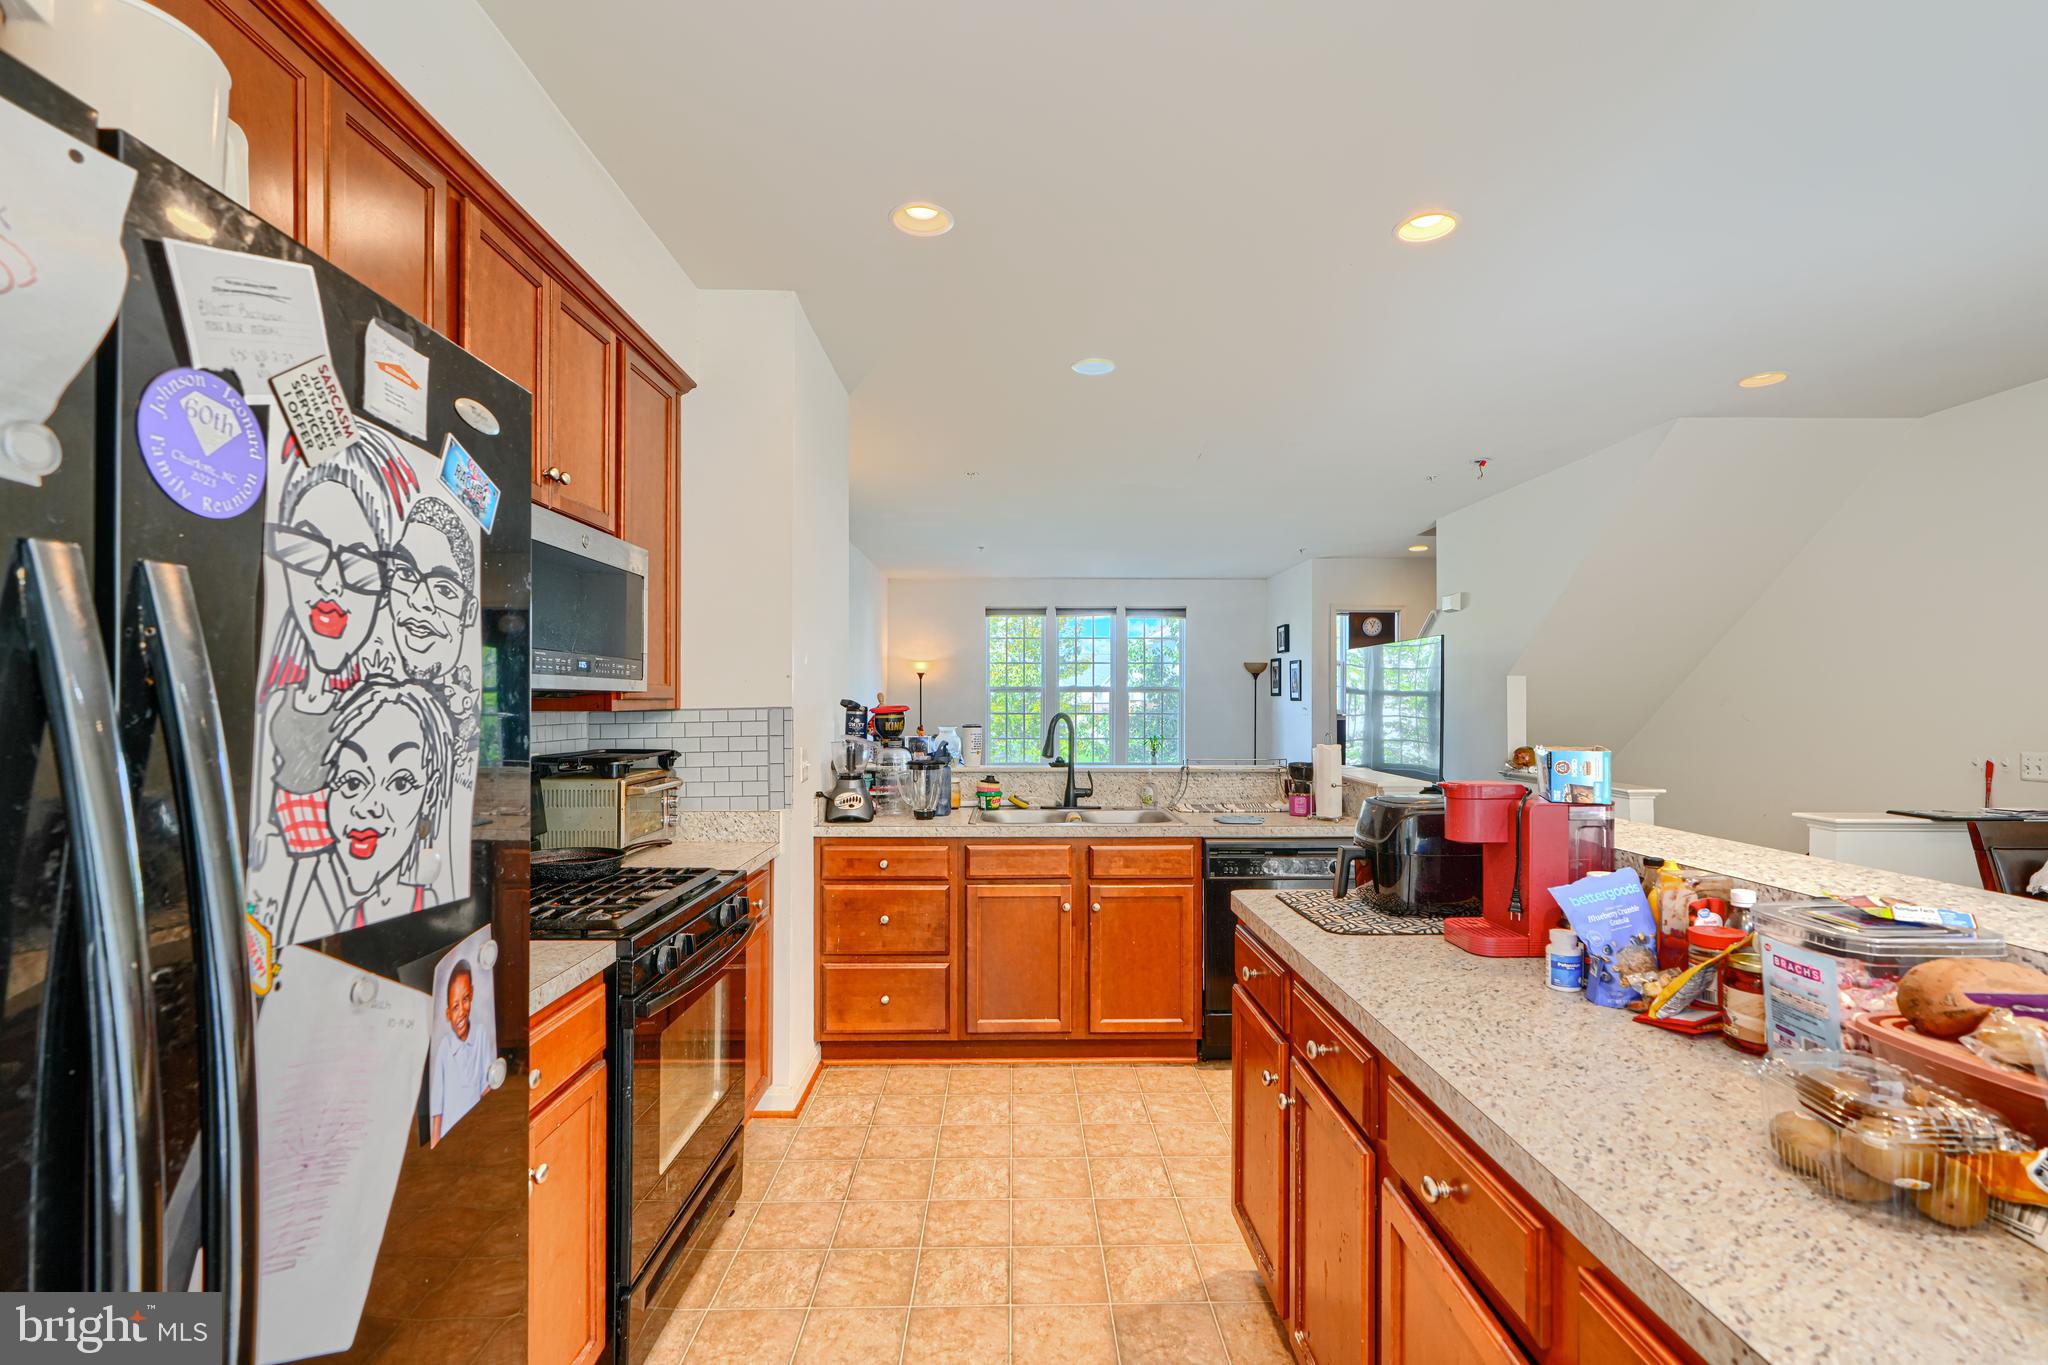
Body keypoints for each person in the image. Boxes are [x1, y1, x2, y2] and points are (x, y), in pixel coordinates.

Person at [278, 678, 456, 943]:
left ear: (429, 794)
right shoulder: (300, 902)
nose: (369, 807)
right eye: (352, 781)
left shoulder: (428, 901)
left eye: (399, 782)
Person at [429, 960, 489, 1146]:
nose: (462, 1011)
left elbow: (486, 1088)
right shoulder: (444, 1048)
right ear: (448, 1014)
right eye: (455, 1007)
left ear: (471, 995)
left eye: (465, 999)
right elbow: (437, 1107)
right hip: (449, 1136)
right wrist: (435, 1144)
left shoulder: (480, 1034)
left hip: (474, 1131)